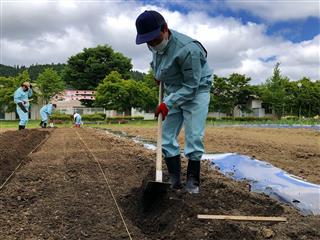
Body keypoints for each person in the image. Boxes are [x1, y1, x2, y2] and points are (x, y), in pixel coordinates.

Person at [135, 10, 213, 194]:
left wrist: (168, 103)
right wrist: (158, 74)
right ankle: (175, 179)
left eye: (155, 40)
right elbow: (157, 61)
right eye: (148, 41)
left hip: (196, 89)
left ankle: (193, 180)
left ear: (165, 29)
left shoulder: (189, 49)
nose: (153, 44)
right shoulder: (153, 44)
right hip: (172, 89)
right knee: (166, 135)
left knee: (194, 136)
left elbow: (191, 85)